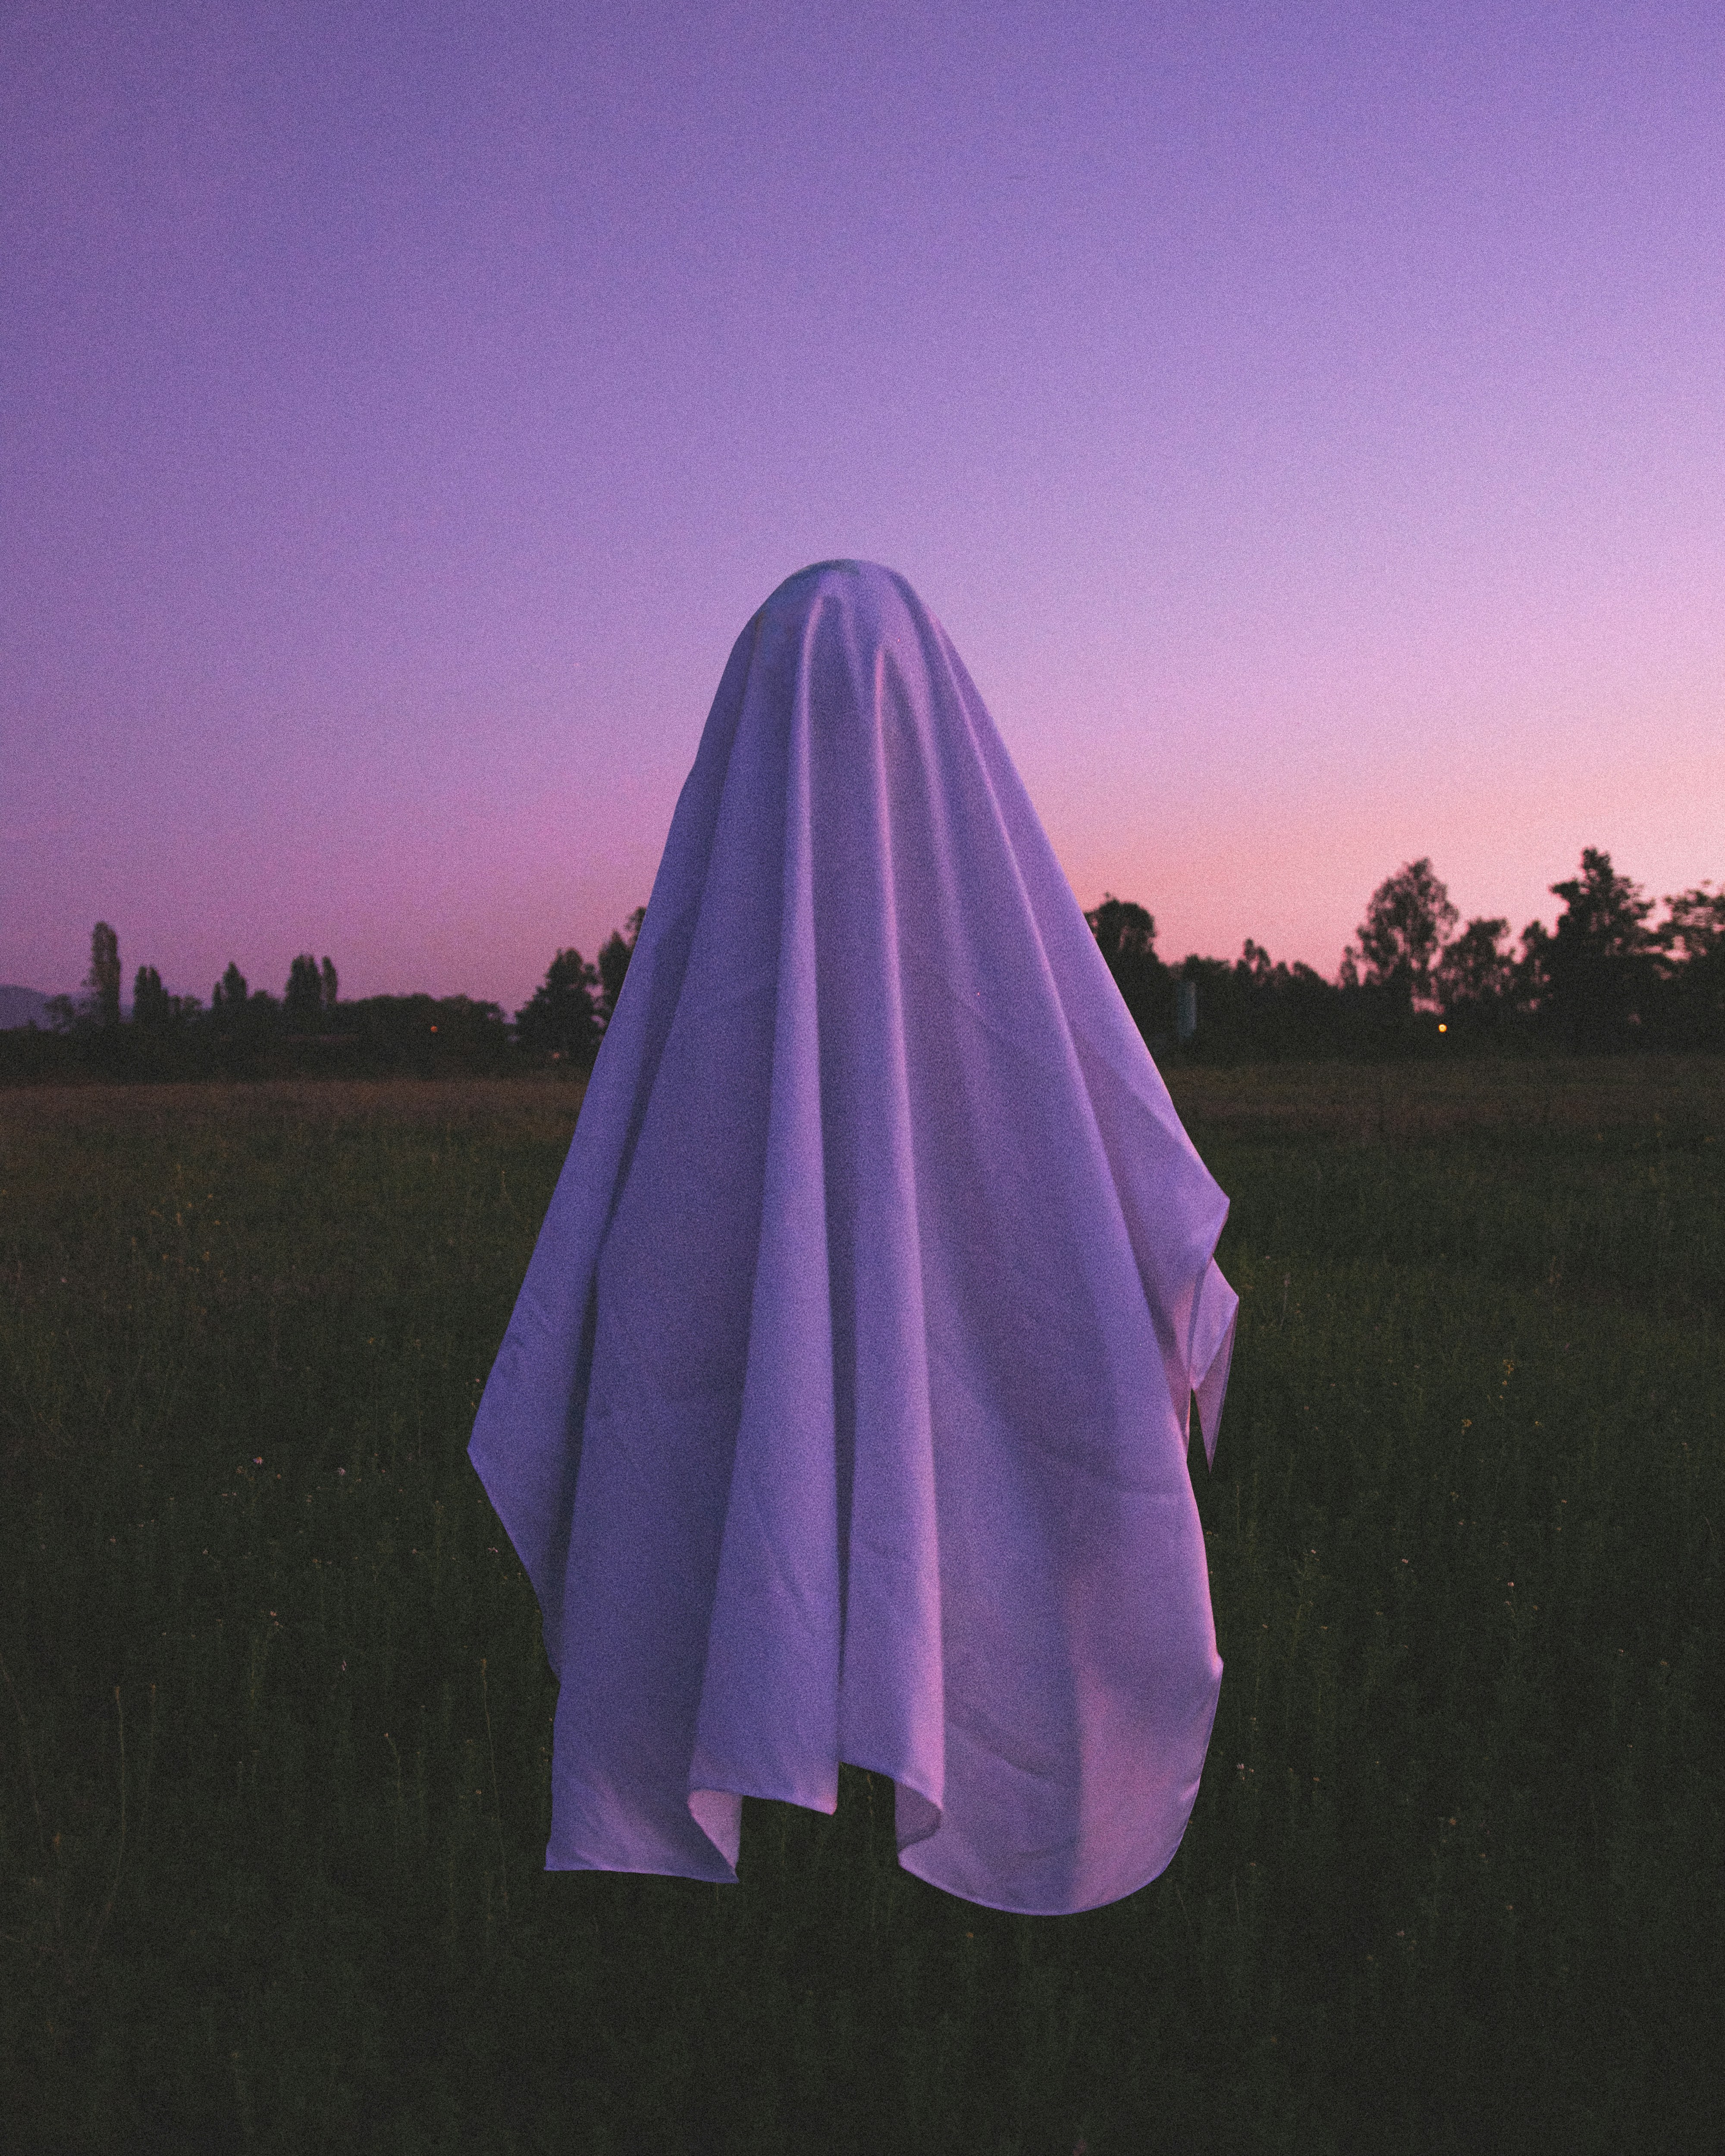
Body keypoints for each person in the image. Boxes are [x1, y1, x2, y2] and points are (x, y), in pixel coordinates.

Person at [470, 560, 1237, 1915]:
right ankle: (873, 1784)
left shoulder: (774, 944)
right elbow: (1133, 1153)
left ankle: (795, 1783)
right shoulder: (955, 929)